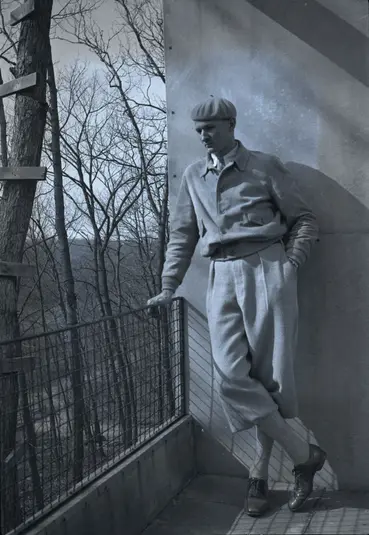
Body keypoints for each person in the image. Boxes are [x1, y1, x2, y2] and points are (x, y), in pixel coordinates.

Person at [147, 96, 326, 517]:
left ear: (230, 125)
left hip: (268, 268)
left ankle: (259, 472)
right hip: (221, 276)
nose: (203, 136)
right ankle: (304, 454)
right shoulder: (194, 175)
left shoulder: (264, 166)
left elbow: (304, 220)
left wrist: (291, 263)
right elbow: (181, 236)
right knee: (231, 375)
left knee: (270, 377)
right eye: (198, 130)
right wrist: (168, 286)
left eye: (210, 127)